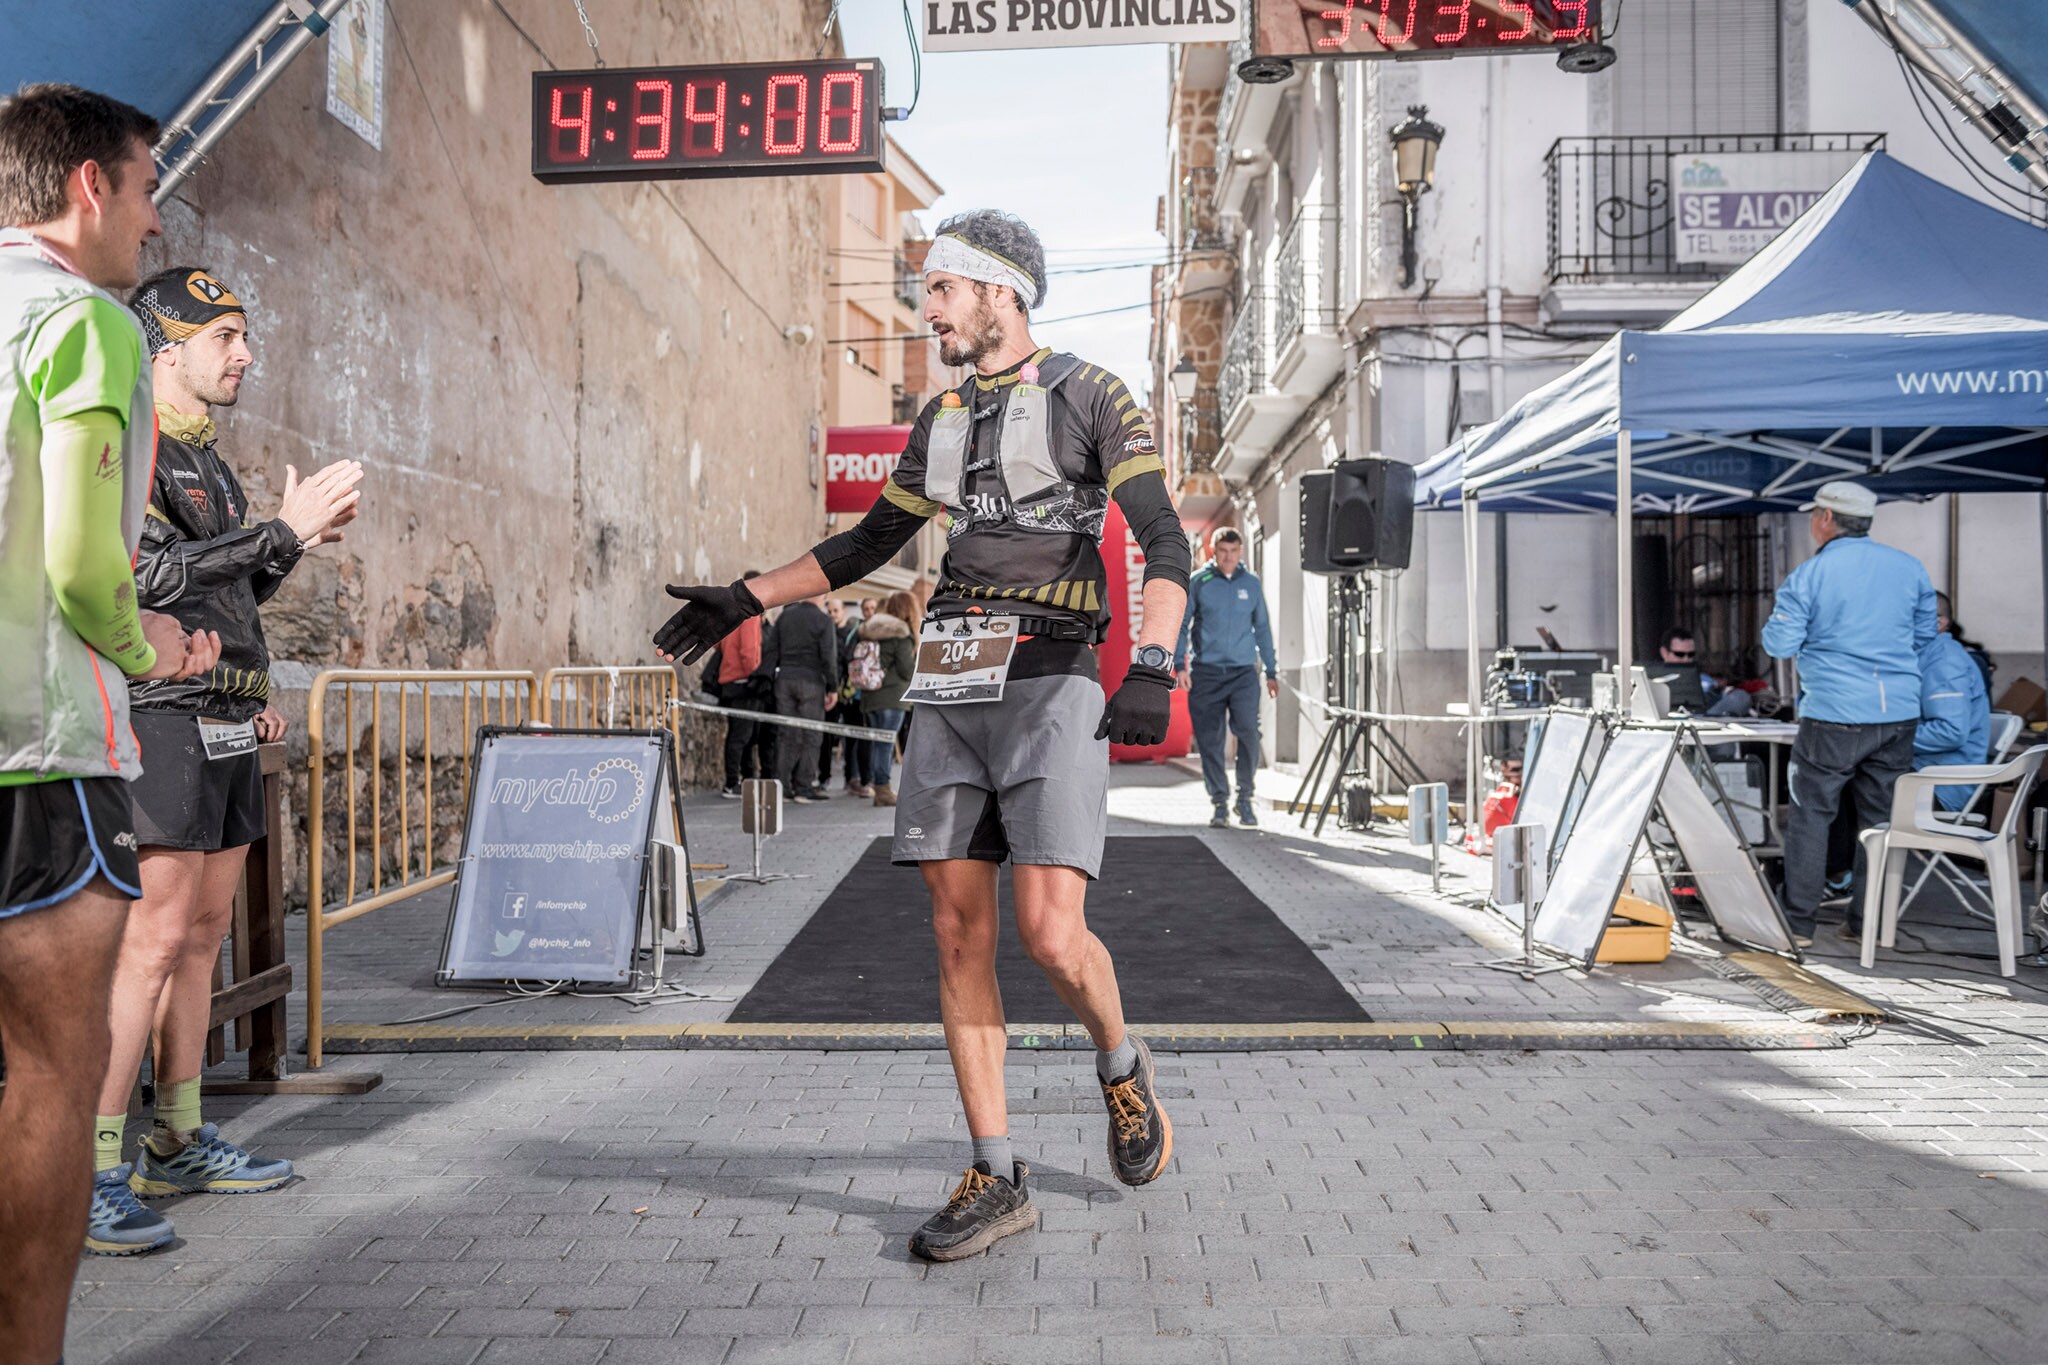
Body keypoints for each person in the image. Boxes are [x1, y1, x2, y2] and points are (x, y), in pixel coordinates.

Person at [655, 208, 1190, 1261]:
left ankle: (1121, 1070)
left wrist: (1154, 664)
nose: (927, 309)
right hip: (948, 684)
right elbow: (867, 545)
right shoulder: (939, 417)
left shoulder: (1090, 393)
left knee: (1049, 934)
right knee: (955, 933)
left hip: (1050, 680)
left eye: (940, 290)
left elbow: (1163, 538)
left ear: (1000, 293)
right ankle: (995, 1170)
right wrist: (745, 596)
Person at [0, 82, 224, 1354]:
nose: (152, 223)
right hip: (37, 752)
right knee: (50, 1077)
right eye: (147, 191)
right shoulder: (84, 323)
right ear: (91, 185)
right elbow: (89, 569)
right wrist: (161, 646)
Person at [81, 267, 365, 1253]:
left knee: (203, 939)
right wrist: (276, 533)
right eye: (222, 338)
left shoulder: (213, 462)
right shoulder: (136, 443)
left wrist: (289, 542)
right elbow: (141, 571)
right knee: (148, 944)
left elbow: (231, 579)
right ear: (165, 350)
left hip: (228, 718)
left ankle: (180, 1136)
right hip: (156, 714)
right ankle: (92, 1169)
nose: (242, 354)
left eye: (242, 336)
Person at [1762, 480, 1936, 943]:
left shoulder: (1809, 575)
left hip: (1834, 711)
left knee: (1811, 814)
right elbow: (1924, 637)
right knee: (1878, 822)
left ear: (1825, 519)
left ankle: (1798, 924)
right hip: (1898, 712)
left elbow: (1778, 643)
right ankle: (1867, 923)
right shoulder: (1909, 567)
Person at [1175, 526, 1277, 828]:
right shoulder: (1199, 582)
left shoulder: (1252, 584)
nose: (1228, 557)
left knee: (1248, 732)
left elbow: (1263, 629)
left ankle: (1245, 799)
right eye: (1223, 551)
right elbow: (1182, 624)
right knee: (1210, 740)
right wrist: (1180, 666)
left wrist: (1271, 670)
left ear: (1241, 551)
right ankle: (1220, 802)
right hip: (1206, 674)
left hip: (1244, 673)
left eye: (1233, 551)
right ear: (1213, 551)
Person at [1914, 591, 1992, 813]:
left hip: (1938, 788)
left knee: (1845, 788)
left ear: (1939, 622)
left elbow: (1950, 732)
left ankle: (1875, 848)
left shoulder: (1944, 662)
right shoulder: (1926, 656)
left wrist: (1888, 738)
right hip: (1922, 775)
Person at [765, 590, 838, 802]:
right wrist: (832, 687)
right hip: (811, 681)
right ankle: (804, 787)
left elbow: (771, 649)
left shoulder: (785, 616)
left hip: (785, 679)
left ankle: (782, 786)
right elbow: (828, 656)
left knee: (787, 734)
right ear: (822, 597)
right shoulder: (823, 620)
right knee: (812, 735)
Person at [706, 569, 773, 798]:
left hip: (728, 681)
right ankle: (734, 781)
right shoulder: (751, 614)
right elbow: (749, 651)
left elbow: (717, 644)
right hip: (745, 681)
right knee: (743, 736)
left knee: (738, 734)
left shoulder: (731, 612)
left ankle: (743, 779)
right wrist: (757, 675)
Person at [858, 589, 919, 807]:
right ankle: (883, 791)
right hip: (892, 696)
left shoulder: (872, 629)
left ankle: (879, 786)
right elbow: (905, 670)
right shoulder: (900, 633)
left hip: (870, 695)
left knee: (877, 744)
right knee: (885, 745)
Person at [1646, 625, 1752, 717]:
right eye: (1680, 654)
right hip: (1667, 723)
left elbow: (1728, 698)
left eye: (1691, 654)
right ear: (1664, 653)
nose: (1686, 659)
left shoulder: (1703, 679)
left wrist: (1720, 690)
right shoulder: (1652, 679)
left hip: (1704, 719)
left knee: (1740, 697)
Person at [827, 596, 872, 797]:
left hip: (870, 693)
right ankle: (852, 778)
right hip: (853, 693)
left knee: (864, 738)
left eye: (873, 608)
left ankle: (864, 779)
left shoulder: (879, 633)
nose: (870, 612)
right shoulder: (857, 632)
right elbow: (847, 658)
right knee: (853, 738)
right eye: (867, 608)